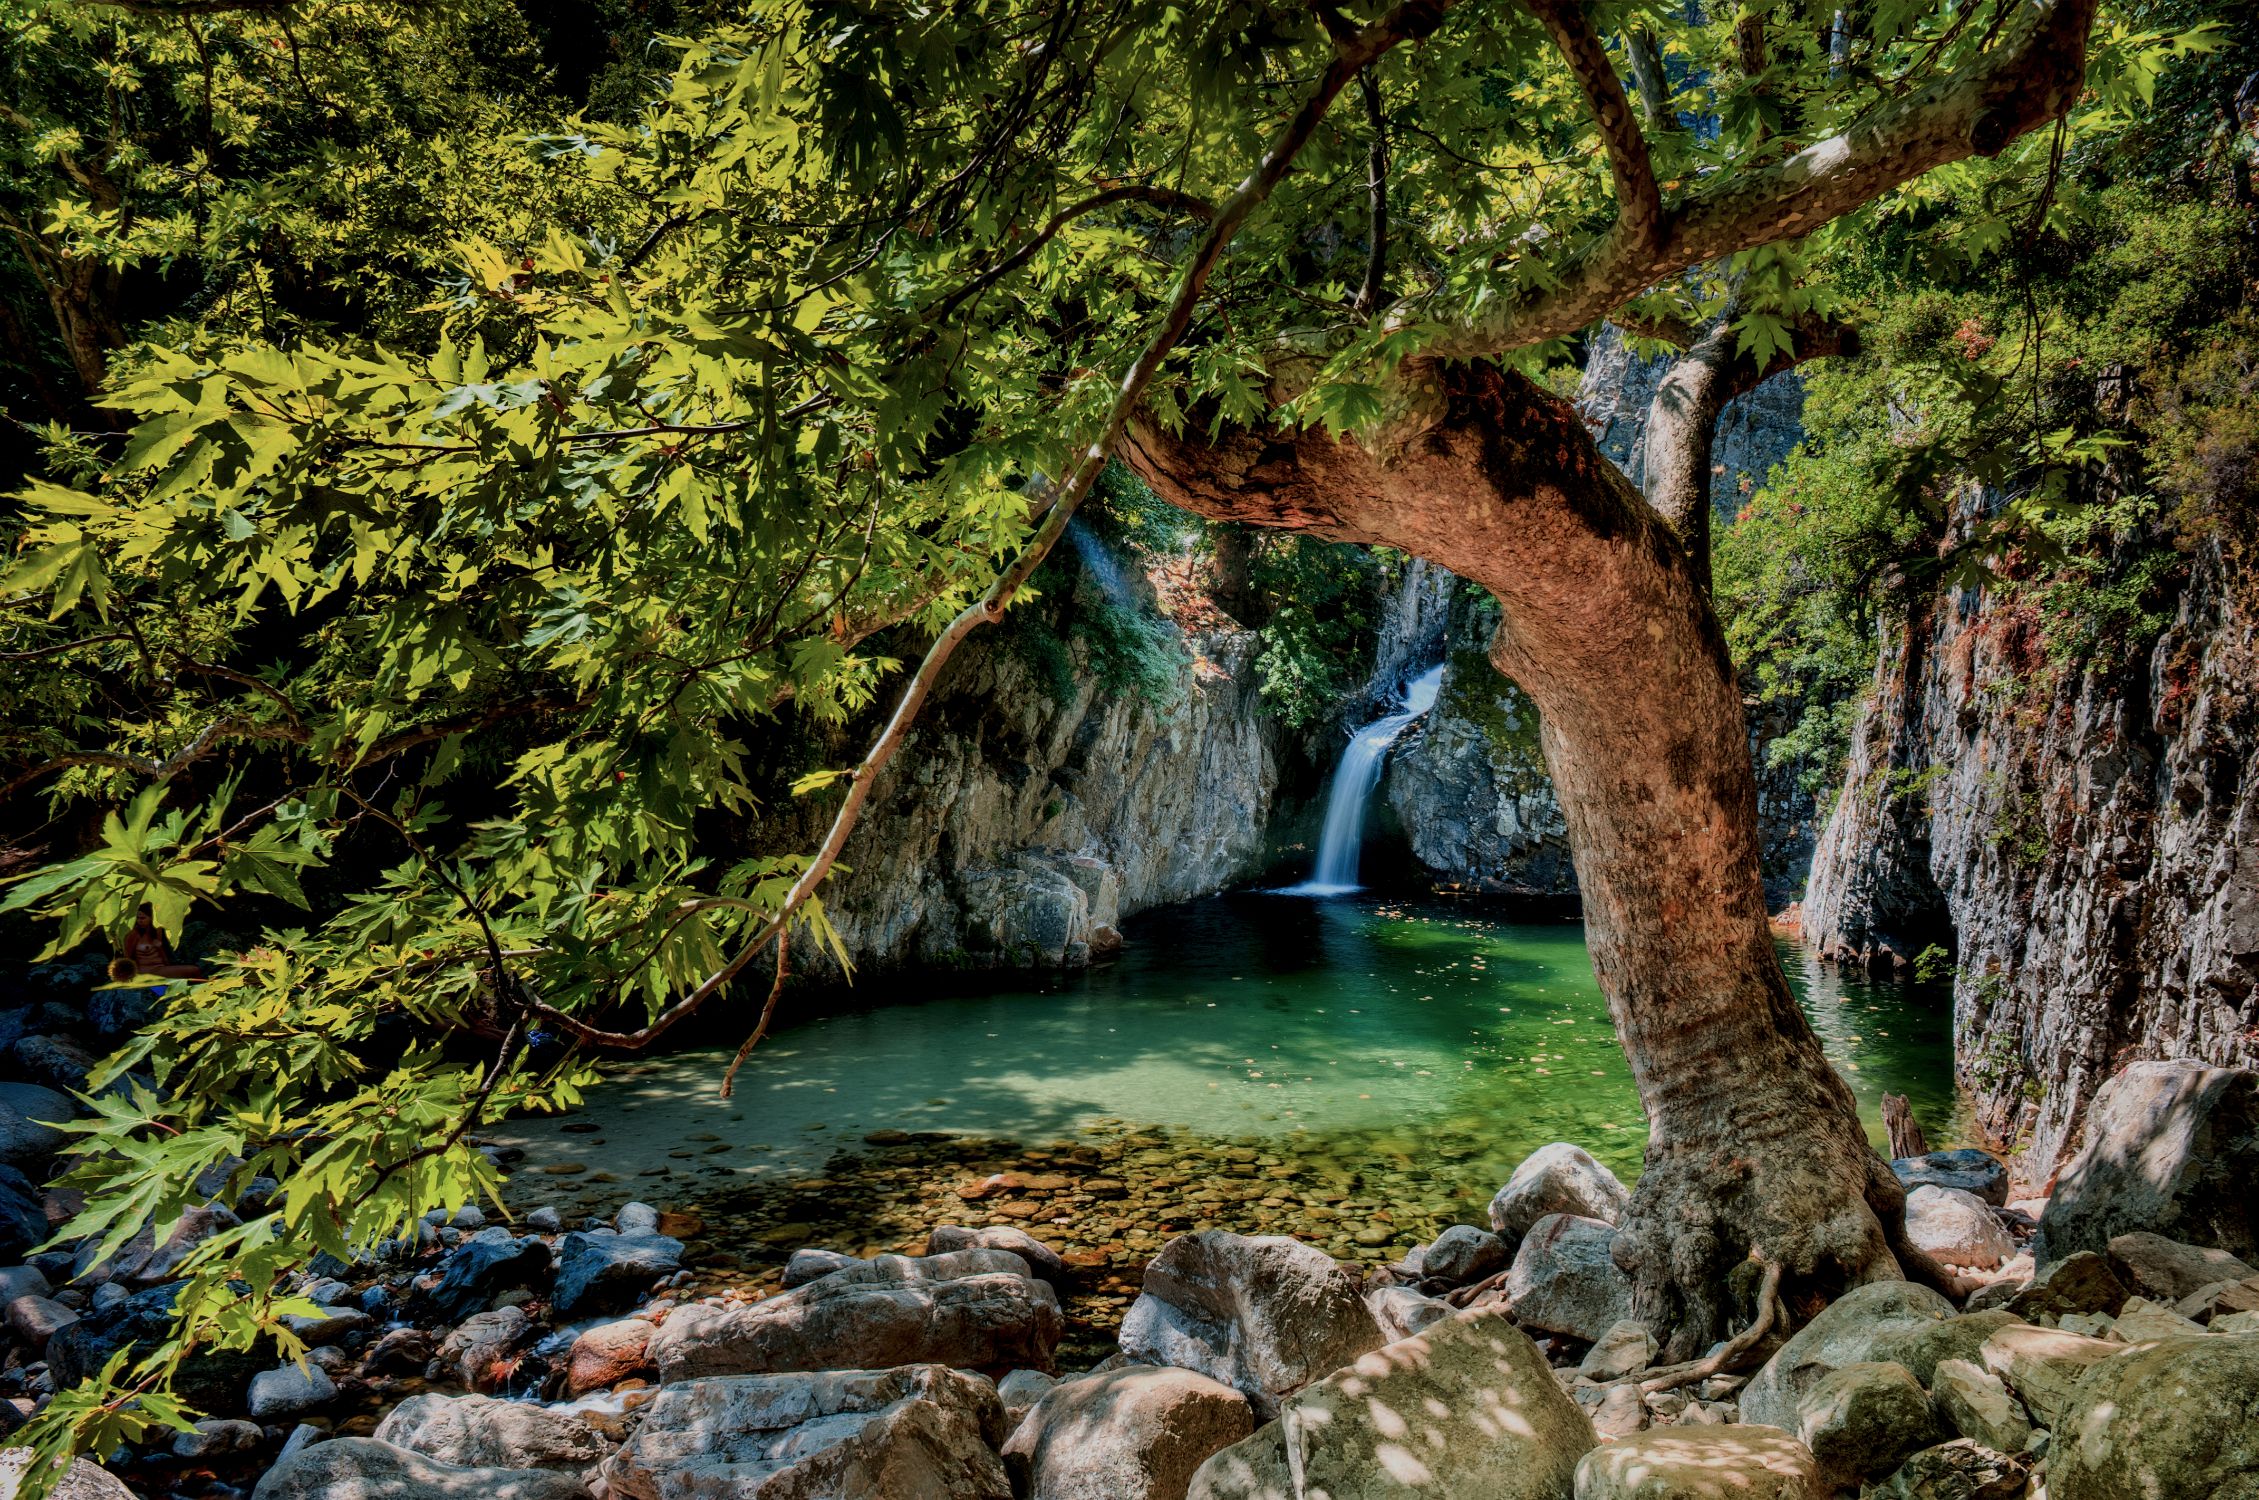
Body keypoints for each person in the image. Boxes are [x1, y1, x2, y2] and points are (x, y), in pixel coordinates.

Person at [120, 905, 204, 981]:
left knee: (193, 972)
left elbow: (160, 951)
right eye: (137, 918)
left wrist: (168, 965)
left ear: (151, 918)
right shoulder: (133, 935)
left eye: (142, 918)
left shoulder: (156, 930)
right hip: (147, 970)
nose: (139, 921)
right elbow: (127, 957)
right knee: (194, 970)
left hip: (160, 967)